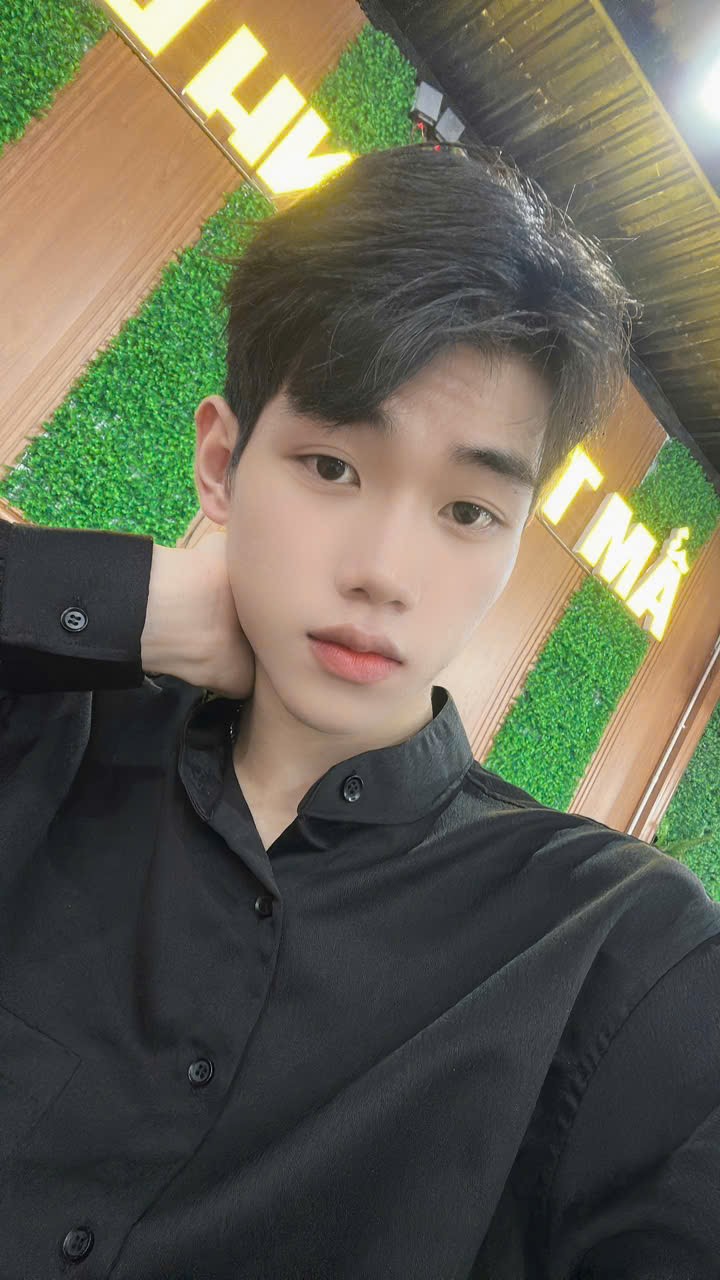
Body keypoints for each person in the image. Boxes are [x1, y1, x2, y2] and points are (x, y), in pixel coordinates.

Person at [1, 141, 718, 1279]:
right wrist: (143, 604)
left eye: (469, 511)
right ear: (222, 463)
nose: (385, 573)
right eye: (333, 467)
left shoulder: (611, 941)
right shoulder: (49, 730)